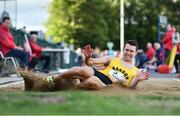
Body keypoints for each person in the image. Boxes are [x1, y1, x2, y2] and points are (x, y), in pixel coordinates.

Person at [18, 40, 150, 91]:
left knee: (93, 82)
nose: (128, 52)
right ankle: (55, 78)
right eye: (127, 49)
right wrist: (87, 58)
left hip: (107, 83)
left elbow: (130, 87)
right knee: (85, 70)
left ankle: (71, 86)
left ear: (135, 52)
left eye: (131, 51)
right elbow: (91, 63)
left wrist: (138, 79)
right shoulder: (112, 59)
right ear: (123, 49)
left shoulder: (136, 71)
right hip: (99, 73)